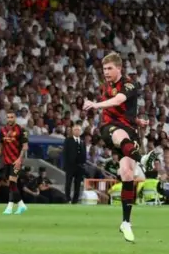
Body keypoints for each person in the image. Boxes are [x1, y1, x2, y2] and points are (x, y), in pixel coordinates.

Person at [82, 52, 157, 242]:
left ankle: (126, 222)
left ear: (119, 68)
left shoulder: (129, 84)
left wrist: (95, 104)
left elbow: (118, 102)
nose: (105, 72)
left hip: (129, 131)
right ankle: (143, 159)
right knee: (118, 135)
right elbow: (115, 109)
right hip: (110, 128)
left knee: (127, 174)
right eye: (104, 69)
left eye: (109, 68)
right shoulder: (106, 86)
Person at [0, 109, 29, 215]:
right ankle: (21, 205)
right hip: (6, 161)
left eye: (12, 117)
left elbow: (25, 146)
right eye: (8, 117)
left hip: (16, 161)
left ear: (15, 118)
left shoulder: (22, 130)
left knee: (12, 182)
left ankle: (9, 207)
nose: (10, 119)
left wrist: (19, 159)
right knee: (11, 184)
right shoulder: (2, 130)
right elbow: (0, 145)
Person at [63, 124, 86, 203]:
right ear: (72, 131)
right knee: (68, 182)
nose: (77, 131)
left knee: (78, 184)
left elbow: (84, 153)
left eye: (78, 130)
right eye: (75, 130)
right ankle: (67, 198)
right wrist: (65, 165)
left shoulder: (82, 141)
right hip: (70, 166)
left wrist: (83, 163)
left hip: (79, 166)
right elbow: (65, 153)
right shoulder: (68, 140)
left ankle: (75, 199)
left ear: (81, 132)